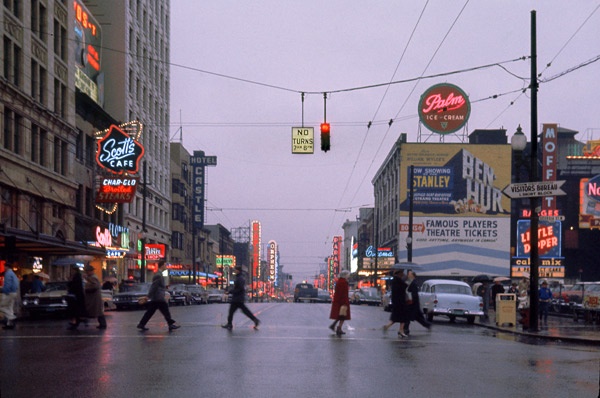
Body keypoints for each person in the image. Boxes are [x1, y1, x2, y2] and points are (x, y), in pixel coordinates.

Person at [137, 261, 180, 331]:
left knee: (151, 311)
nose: (166, 266)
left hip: (157, 297)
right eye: (165, 265)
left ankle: (141, 324)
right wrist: (148, 296)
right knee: (165, 310)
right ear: (162, 266)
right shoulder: (158, 275)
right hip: (158, 297)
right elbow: (154, 286)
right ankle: (170, 324)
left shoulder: (160, 274)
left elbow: (157, 286)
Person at [221, 265, 260, 331]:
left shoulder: (239, 278)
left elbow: (239, 288)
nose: (234, 271)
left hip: (237, 298)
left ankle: (229, 324)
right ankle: (255, 320)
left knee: (232, 312)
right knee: (244, 311)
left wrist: (230, 292)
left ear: (238, 270)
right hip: (238, 298)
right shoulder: (239, 277)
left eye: (235, 270)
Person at [383, 268, 410, 337]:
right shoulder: (398, 281)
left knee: (397, 317)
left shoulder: (395, 280)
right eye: (402, 273)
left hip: (397, 302)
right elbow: (403, 287)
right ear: (399, 274)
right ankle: (400, 330)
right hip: (400, 302)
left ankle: (394, 328)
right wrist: (407, 280)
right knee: (403, 317)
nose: (403, 274)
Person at [83, 264, 107, 329]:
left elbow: (95, 286)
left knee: (97, 311)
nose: (86, 273)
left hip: (94, 298)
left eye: (87, 271)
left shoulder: (92, 277)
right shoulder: (92, 277)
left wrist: (87, 288)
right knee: (97, 311)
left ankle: (102, 324)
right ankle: (102, 324)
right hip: (93, 297)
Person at [328, 270, 351, 336]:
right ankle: (338, 327)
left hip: (339, 301)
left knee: (341, 315)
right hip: (342, 301)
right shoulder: (343, 282)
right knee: (342, 315)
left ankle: (336, 326)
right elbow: (343, 293)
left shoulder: (339, 282)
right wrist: (345, 302)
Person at [67, 265, 86, 330]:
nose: (71, 271)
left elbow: (73, 286)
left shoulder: (76, 277)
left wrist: (70, 281)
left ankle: (75, 323)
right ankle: (77, 322)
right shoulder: (77, 277)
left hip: (75, 297)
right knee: (75, 312)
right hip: (75, 297)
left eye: (72, 270)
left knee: (75, 312)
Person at [0, 262, 19, 329]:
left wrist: (3, 290)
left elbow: (7, 285)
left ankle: (12, 317)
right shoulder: (13, 274)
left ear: (7, 267)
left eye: (4, 266)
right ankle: (9, 324)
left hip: (9, 293)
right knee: (9, 307)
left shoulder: (8, 274)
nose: (4, 268)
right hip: (14, 292)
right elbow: (16, 284)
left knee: (2, 306)